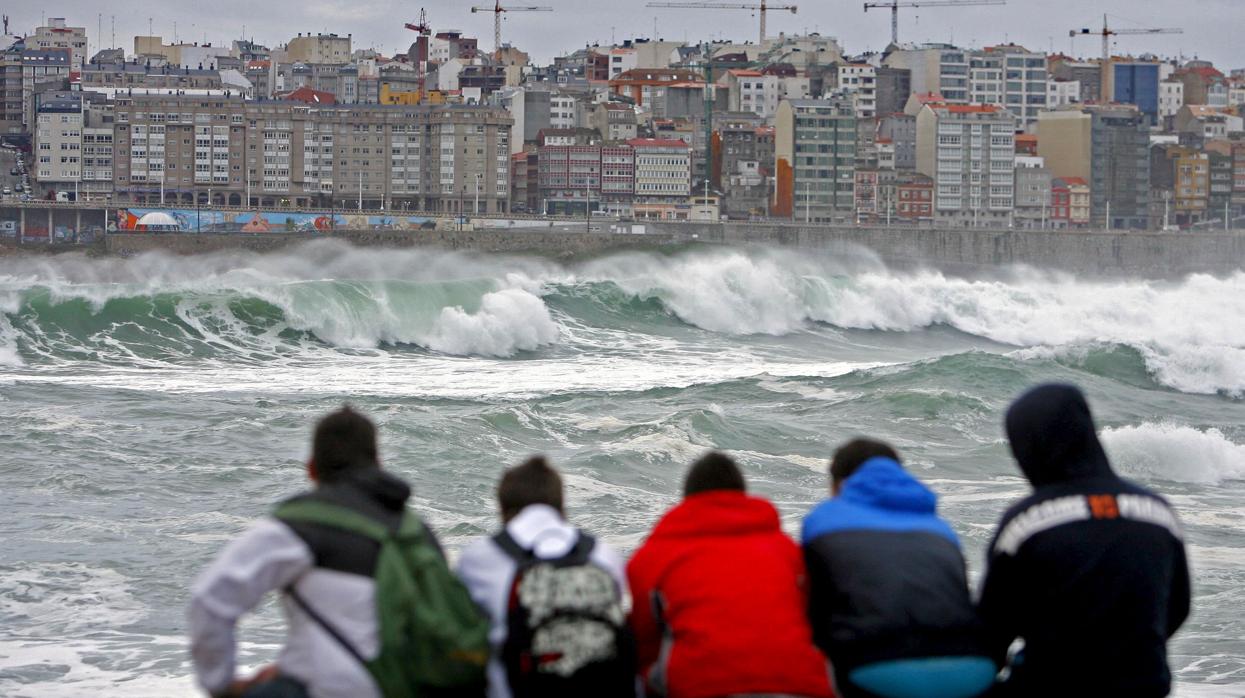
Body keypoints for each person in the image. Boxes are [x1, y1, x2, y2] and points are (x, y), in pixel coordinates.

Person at [189, 407, 485, 698]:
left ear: (311, 468)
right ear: (378, 463)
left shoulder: (304, 524)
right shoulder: (416, 532)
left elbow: (211, 599)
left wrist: (222, 685)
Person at [978, 384, 1190, 697]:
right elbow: (1178, 607)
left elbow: (993, 629)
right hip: (1144, 684)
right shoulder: (1158, 512)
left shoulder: (1028, 522)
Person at [627, 452, 835, 698]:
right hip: (797, 684)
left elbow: (642, 642)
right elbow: (816, 619)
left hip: (703, 686)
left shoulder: (653, 556)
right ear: (741, 495)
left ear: (687, 500)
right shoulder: (787, 550)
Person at [801, 439, 993, 698]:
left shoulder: (824, 521)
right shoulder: (940, 530)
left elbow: (815, 616)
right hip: (972, 670)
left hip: (878, 671)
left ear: (839, 485)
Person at [455, 456, 634, 698]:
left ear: (503, 511)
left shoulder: (479, 559)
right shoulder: (603, 555)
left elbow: (458, 642)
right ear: (562, 508)